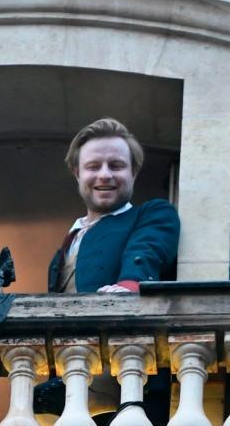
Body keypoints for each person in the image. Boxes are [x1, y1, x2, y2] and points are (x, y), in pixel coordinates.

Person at [47, 117, 180, 295]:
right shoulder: (72, 236)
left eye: (116, 166)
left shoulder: (153, 214)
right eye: (93, 167)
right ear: (78, 174)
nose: (104, 174)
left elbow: (147, 248)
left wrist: (131, 284)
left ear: (133, 172)